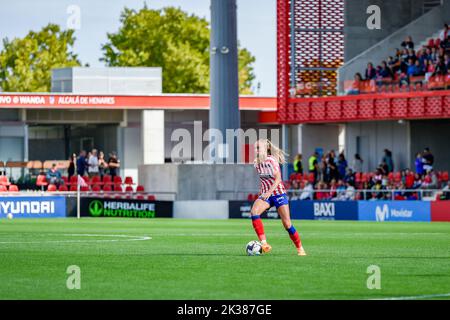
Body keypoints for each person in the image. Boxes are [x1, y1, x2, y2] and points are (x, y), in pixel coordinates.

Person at [250, 139, 306, 256]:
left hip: (278, 193)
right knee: (254, 212)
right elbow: (264, 180)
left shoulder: (271, 160)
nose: (255, 150)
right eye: (255, 148)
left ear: (266, 149)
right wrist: (263, 193)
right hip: (266, 194)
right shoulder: (256, 163)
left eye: (258, 148)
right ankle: (264, 244)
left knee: (287, 224)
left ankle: (300, 248)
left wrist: (269, 193)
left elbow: (278, 179)